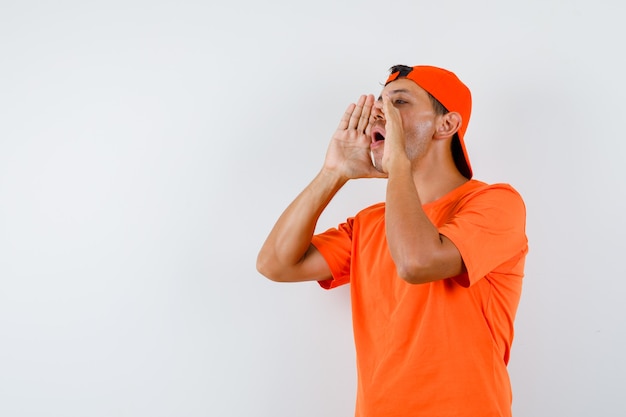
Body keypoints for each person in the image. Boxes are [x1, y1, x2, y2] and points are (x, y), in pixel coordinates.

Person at [256, 64, 528, 417]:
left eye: (399, 101)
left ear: (447, 124)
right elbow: (275, 263)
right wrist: (333, 173)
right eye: (380, 101)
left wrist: (397, 162)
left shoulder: (496, 203)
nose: (380, 112)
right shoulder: (370, 223)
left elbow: (417, 262)